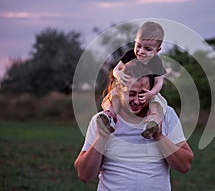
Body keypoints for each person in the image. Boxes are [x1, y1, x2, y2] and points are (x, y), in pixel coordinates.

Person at [74, 60, 194, 191]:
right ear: (119, 89)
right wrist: (101, 137)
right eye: (131, 94)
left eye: (142, 94)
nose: (137, 101)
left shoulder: (165, 115)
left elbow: (184, 165)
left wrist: (159, 136)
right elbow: (84, 174)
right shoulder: (102, 120)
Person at [99, 21, 167, 139]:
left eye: (148, 49)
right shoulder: (131, 54)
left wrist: (151, 93)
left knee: (155, 103)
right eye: (138, 45)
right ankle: (109, 116)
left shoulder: (156, 62)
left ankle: (152, 123)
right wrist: (119, 75)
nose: (141, 51)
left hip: (148, 92)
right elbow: (116, 70)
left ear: (157, 50)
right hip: (126, 89)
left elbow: (159, 81)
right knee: (114, 96)